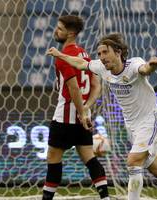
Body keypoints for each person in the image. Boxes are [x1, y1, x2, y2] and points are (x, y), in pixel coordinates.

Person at [46, 33, 157, 200]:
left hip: (149, 120)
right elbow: (80, 63)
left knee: (132, 161)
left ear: (118, 52)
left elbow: (144, 69)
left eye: (105, 52)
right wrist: (60, 54)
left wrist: (152, 66)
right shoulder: (102, 67)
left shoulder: (133, 65)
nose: (101, 56)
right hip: (132, 126)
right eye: (99, 53)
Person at [42, 15, 110, 200]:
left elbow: (73, 88)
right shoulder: (84, 54)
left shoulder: (64, 55)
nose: (56, 31)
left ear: (71, 33)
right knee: (89, 157)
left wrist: (80, 112)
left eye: (60, 28)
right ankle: (105, 197)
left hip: (66, 117)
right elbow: (97, 85)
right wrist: (86, 109)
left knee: (53, 159)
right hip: (83, 117)